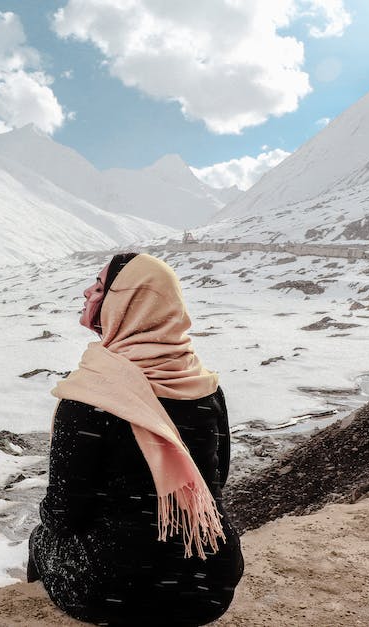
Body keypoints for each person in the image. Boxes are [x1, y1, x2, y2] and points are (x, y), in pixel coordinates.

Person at [28, 252, 244, 626]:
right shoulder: (205, 388)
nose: (86, 292)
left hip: (118, 590)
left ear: (125, 304)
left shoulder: (90, 398)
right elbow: (215, 484)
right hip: (209, 584)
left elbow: (65, 514)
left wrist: (45, 528)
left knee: (41, 538)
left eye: (99, 287)